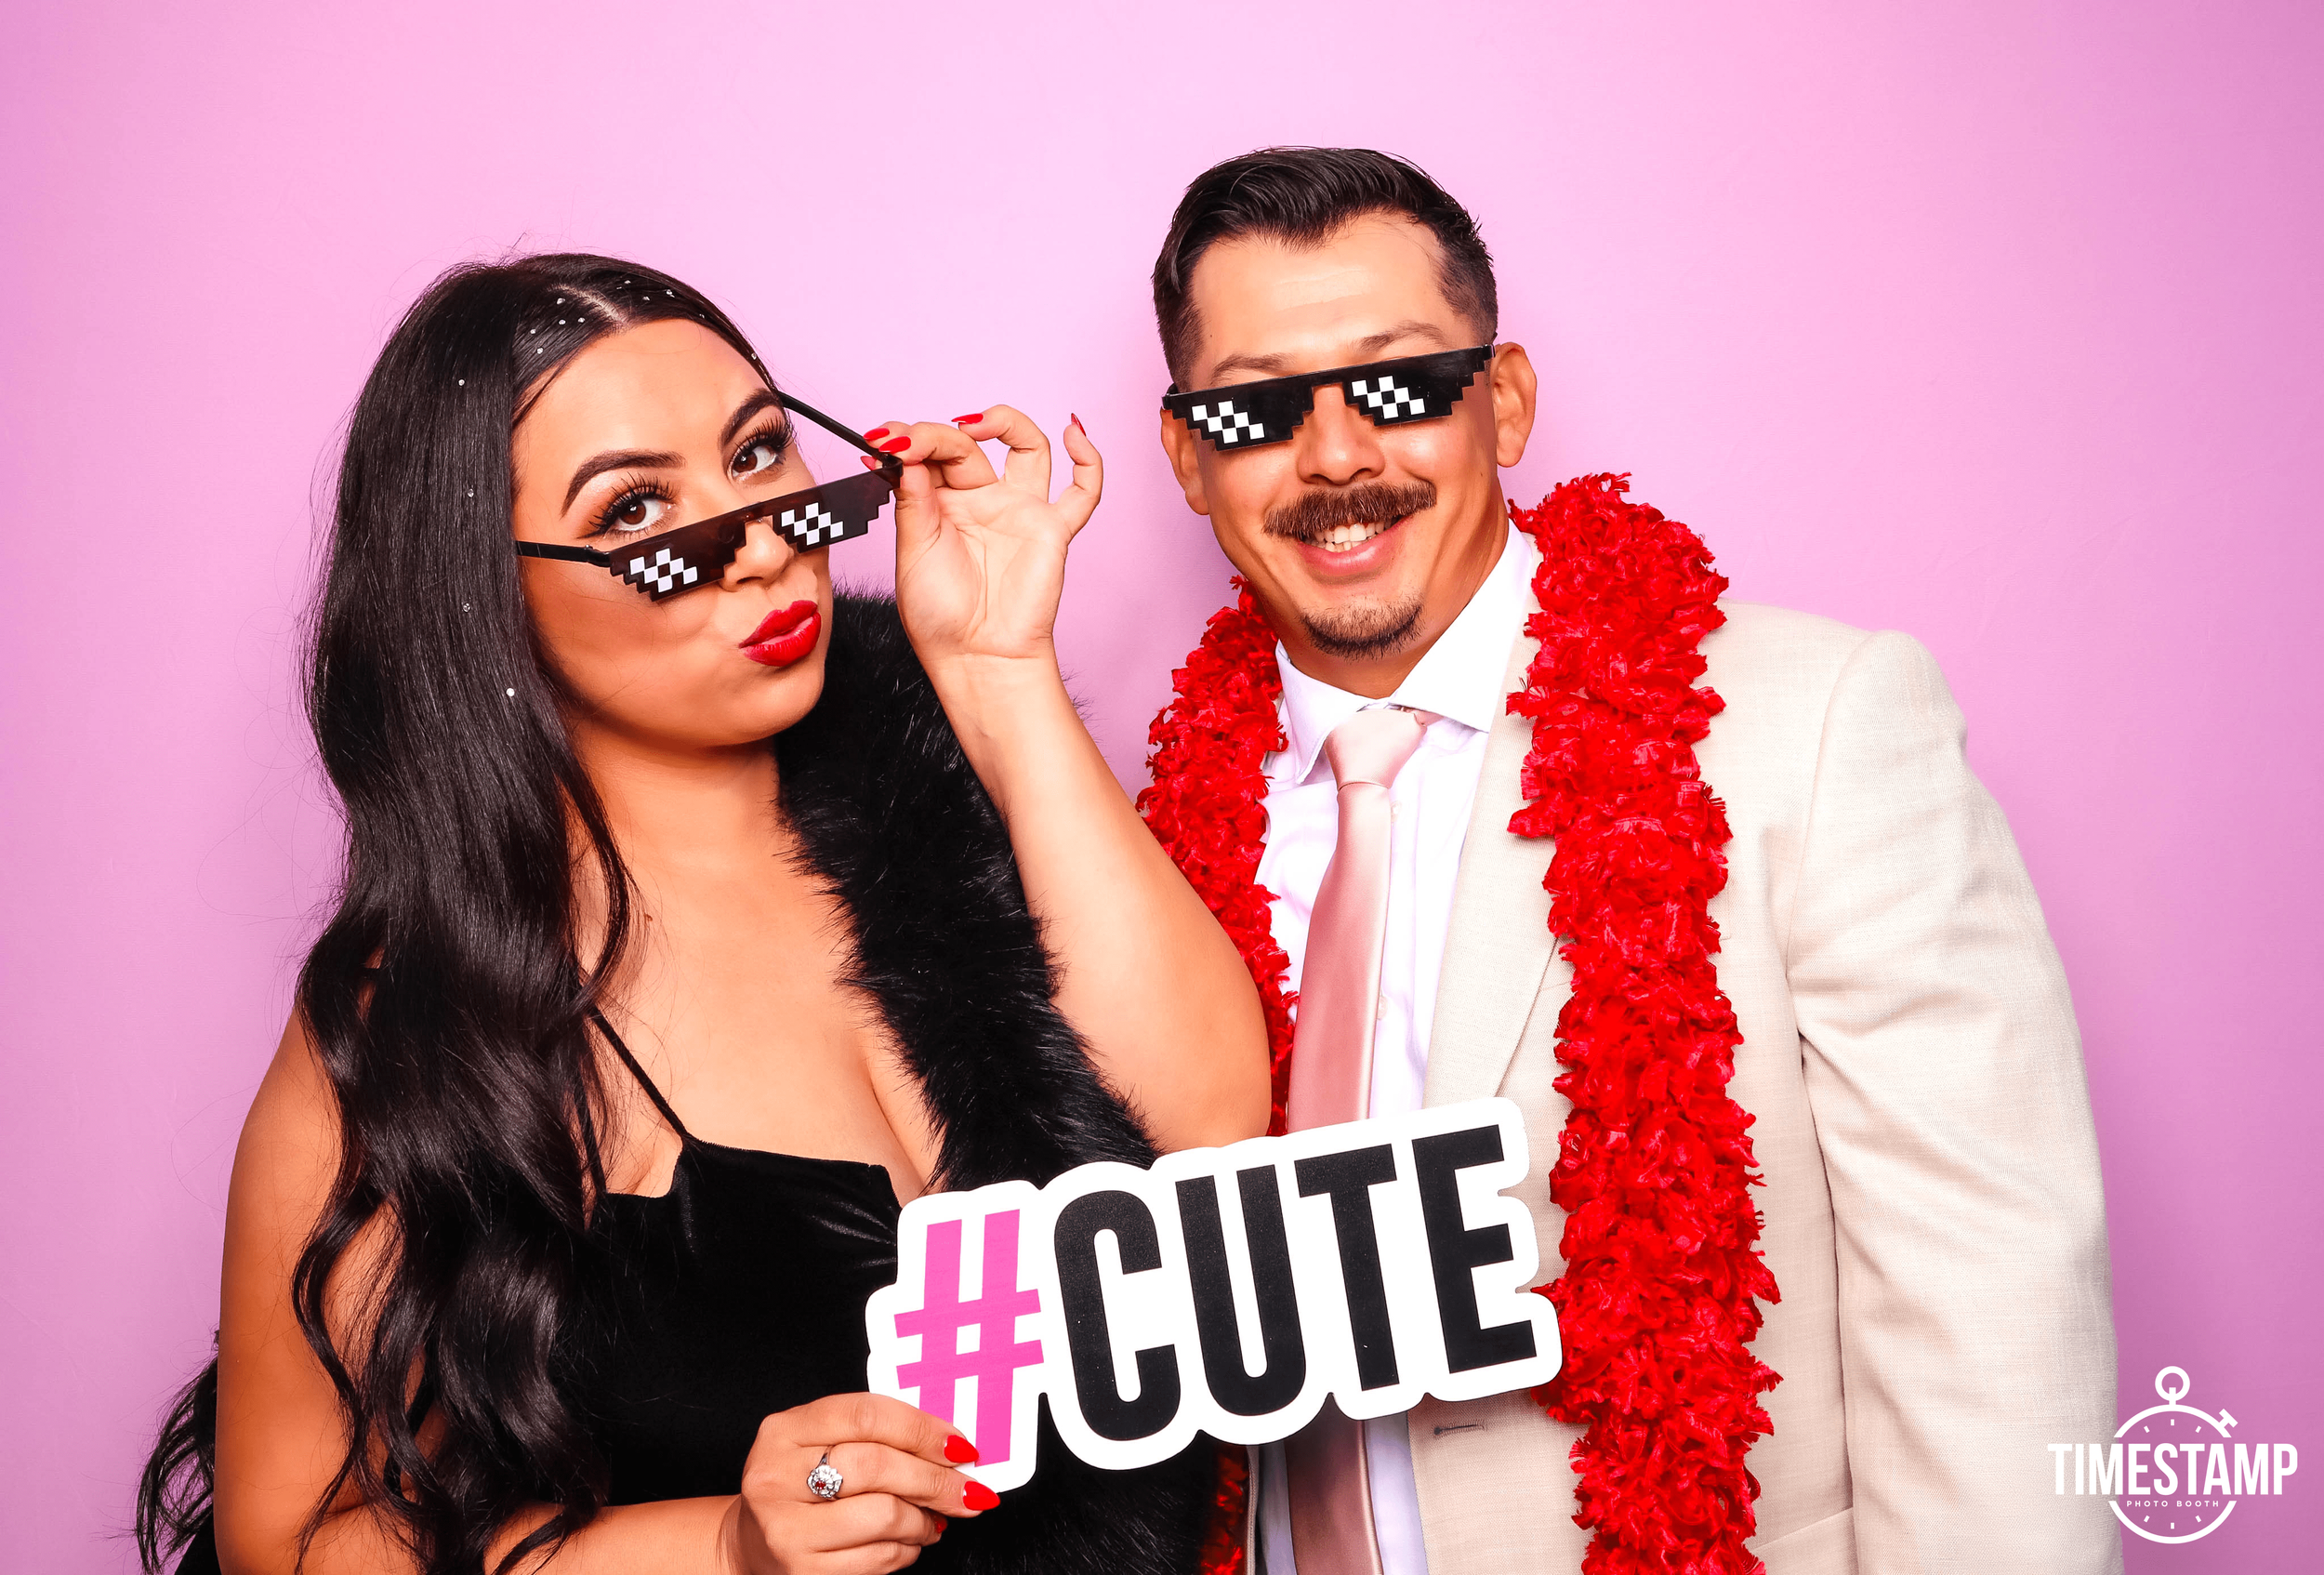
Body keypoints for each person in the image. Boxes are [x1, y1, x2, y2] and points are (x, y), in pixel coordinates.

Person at [135, 254, 1269, 1575]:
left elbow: (1202, 1133)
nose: (758, 537)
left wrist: (998, 667)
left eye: (760, 455)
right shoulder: (432, 1020)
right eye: (636, 510)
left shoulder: (959, 798)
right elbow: (294, 1534)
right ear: (483, 592)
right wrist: (724, 1544)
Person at [1138, 149, 2119, 1574]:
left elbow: (1994, 1310)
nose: (1337, 454)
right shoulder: (1144, 847)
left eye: (1400, 382)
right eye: (1257, 404)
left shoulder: (1817, 727)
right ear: (1187, 456)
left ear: (1510, 398)